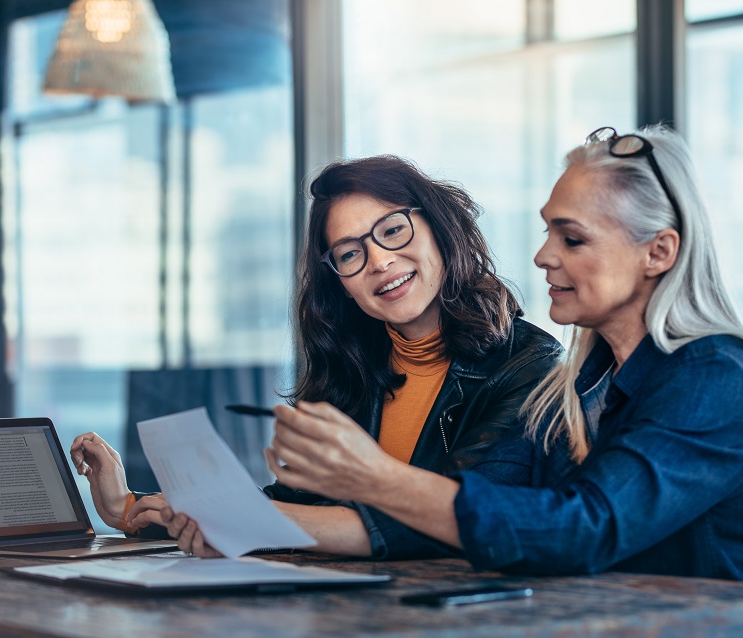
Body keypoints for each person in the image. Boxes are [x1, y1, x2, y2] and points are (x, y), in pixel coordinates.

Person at [236, 125, 743, 584]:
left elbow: (583, 529)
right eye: (547, 233)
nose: (541, 257)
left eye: (571, 239)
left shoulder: (718, 375)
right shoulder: (583, 383)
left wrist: (374, 476)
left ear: (658, 252)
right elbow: (504, 517)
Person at [70, 155, 562, 556]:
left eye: (392, 230)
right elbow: (297, 506)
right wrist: (128, 507)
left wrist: (243, 522)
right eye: (350, 254)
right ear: (341, 284)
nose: (379, 261)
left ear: (440, 228)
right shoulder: (354, 367)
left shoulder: (531, 366)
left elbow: (455, 520)